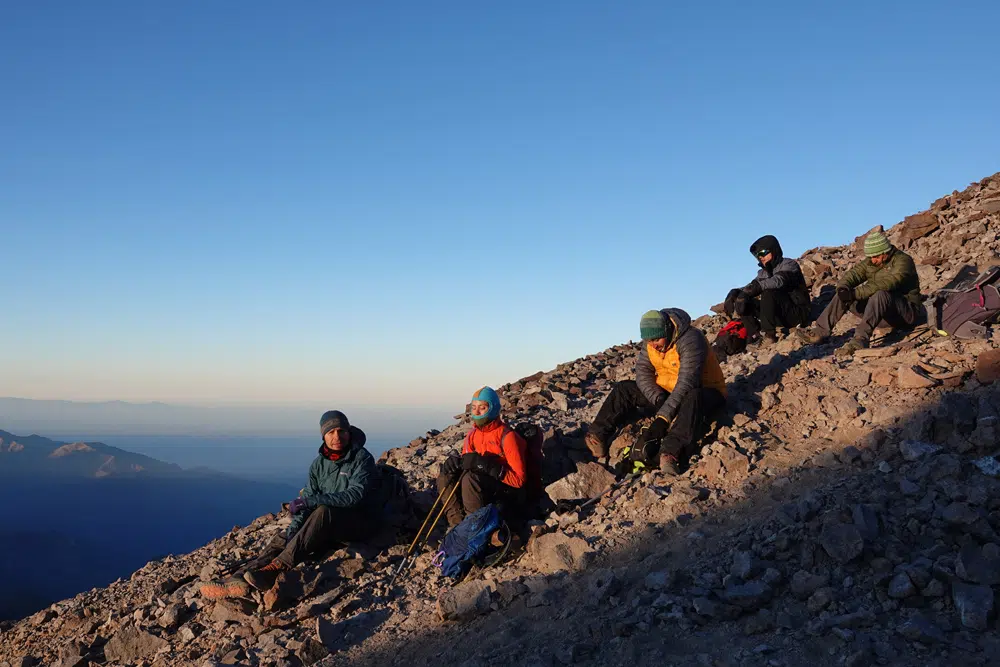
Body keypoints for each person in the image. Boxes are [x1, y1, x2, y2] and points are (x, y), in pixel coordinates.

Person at [198, 410, 382, 598]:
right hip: (326, 525)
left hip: (357, 524)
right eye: (331, 432)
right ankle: (237, 579)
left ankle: (276, 569)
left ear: (349, 432)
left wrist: (311, 501)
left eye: (341, 431)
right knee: (285, 537)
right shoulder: (318, 465)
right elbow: (306, 502)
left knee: (323, 511)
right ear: (323, 436)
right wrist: (293, 530)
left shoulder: (362, 458)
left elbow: (354, 496)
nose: (337, 437)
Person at [585, 309, 727, 475]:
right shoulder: (651, 343)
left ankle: (670, 453)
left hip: (705, 392)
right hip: (668, 392)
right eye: (648, 340)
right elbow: (642, 372)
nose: (653, 344)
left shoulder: (691, 339)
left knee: (694, 397)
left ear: (667, 330)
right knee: (624, 389)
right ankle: (598, 435)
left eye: (656, 339)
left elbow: (687, 382)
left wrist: (663, 418)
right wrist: (658, 398)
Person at [796, 230, 924, 357]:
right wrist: (843, 288)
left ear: (886, 252)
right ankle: (820, 332)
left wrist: (855, 293)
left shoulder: (903, 261)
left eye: (876, 257)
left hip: (905, 314)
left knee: (880, 294)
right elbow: (854, 274)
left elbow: (887, 283)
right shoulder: (871, 261)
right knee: (843, 295)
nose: (873, 260)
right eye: (871, 257)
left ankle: (860, 340)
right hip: (881, 314)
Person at [436, 387, 529, 527]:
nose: (477, 412)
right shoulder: (472, 435)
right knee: (446, 475)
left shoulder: (507, 436)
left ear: (493, 409)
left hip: (505, 491)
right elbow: (468, 462)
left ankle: (474, 528)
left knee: (470, 478)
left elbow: (519, 481)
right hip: (481, 485)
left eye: (482, 408)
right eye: (474, 408)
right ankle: (457, 525)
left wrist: (486, 465)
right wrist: (456, 463)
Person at [724, 235, 812, 344]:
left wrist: (753, 289)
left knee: (769, 292)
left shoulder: (789, 264)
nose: (761, 257)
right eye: (758, 255)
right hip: (780, 316)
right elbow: (752, 285)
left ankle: (769, 336)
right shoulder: (763, 272)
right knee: (744, 300)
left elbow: (778, 281)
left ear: (773, 250)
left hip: (798, 313)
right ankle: (755, 336)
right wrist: (737, 293)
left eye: (763, 252)